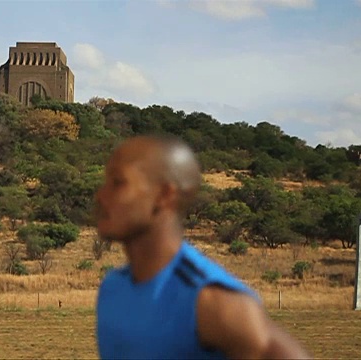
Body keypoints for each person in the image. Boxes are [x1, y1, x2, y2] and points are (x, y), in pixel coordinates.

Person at [94, 135, 311, 360]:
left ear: (164, 195)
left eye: (118, 182)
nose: (101, 195)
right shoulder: (113, 287)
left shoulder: (209, 300)